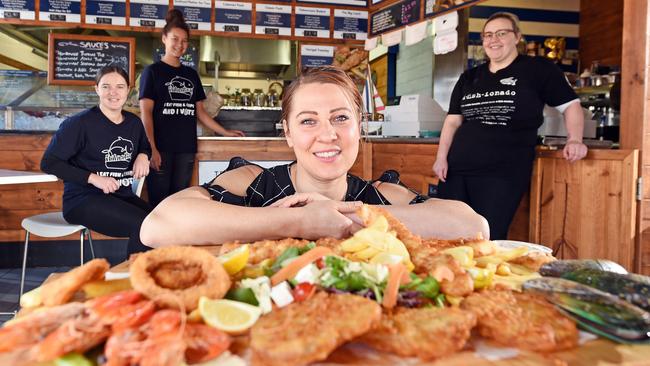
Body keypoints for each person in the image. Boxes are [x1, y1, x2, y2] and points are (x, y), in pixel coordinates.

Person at [140, 66, 489, 247]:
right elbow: (158, 225)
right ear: (288, 132)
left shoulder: (382, 196)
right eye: (308, 121)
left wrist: (350, 217)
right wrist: (299, 222)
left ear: (359, 128)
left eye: (341, 118)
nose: (328, 134)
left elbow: (474, 226)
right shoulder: (252, 184)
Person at [432, 12, 588, 240]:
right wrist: (441, 157)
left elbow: (571, 106)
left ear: (517, 37)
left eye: (501, 33)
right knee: (446, 233)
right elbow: (453, 120)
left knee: (487, 236)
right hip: (457, 169)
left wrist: (575, 139)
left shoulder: (538, 69)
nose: (493, 39)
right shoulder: (470, 77)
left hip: (503, 171)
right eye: (488, 35)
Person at [41, 65, 153, 254]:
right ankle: (134, 279)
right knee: (144, 226)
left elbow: (144, 145)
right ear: (96, 89)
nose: (113, 93)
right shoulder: (79, 124)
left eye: (120, 86)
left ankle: (144, 277)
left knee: (161, 224)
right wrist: (94, 178)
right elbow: (49, 162)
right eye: (106, 86)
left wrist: (143, 155)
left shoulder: (133, 123)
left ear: (128, 90)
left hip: (121, 196)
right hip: (83, 199)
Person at [139, 9, 244, 207]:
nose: (179, 45)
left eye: (184, 40)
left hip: (186, 148)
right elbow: (146, 113)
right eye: (175, 39)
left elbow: (200, 112)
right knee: (159, 203)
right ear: (164, 39)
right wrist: (151, 148)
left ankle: (177, 239)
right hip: (161, 148)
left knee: (180, 201)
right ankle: (158, 239)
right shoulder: (152, 72)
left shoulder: (191, 74)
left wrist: (225, 132)